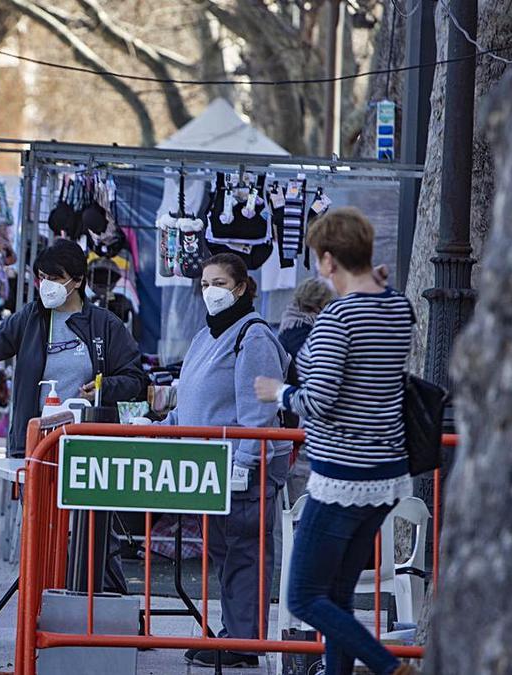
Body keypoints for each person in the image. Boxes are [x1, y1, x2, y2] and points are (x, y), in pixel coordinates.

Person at [255, 208, 417, 675]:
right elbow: (384, 305)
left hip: (342, 473)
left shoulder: (337, 319)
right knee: (340, 595)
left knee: (304, 596)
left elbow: (320, 401)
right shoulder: (396, 307)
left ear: (327, 262)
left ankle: (389, 667)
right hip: (387, 471)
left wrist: (280, 391)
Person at [158, 252, 291, 669]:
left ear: (241, 287)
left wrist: (246, 461)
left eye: (219, 283)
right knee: (222, 552)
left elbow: (259, 409)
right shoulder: (206, 336)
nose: (210, 291)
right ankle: (233, 633)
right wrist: (163, 424)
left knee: (244, 551)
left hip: (242, 469)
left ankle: (244, 643)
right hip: (209, 467)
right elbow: (193, 398)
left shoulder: (252, 336)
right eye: (204, 283)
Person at [0, 239, 146, 459]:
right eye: (42, 278)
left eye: (55, 278)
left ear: (77, 280)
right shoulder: (31, 317)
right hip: (33, 445)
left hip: (86, 448)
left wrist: (103, 388)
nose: (46, 284)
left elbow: (134, 379)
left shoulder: (105, 325)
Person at [277, 277, 337, 500]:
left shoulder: (288, 327)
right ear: (321, 304)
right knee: (306, 486)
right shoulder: (312, 334)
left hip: (296, 418)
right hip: (308, 420)